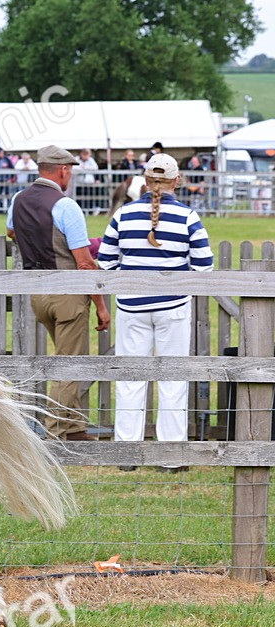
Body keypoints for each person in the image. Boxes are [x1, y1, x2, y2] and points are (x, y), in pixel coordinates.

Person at [97, 153, 213, 468]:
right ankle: (171, 456)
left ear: (146, 181)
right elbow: (204, 266)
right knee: (173, 378)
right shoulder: (188, 217)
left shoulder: (123, 215)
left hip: (131, 306)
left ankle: (126, 453)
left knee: (131, 378)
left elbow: (105, 261)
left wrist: (130, 275)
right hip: (173, 306)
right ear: (177, 181)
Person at [6, 145, 111, 441]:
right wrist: (101, 305)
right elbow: (85, 263)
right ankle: (55, 434)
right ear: (63, 170)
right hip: (67, 295)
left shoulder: (18, 199)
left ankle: (74, 427)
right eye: (71, 171)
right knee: (69, 364)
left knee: (69, 357)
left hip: (38, 295)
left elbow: (11, 231)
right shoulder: (66, 206)